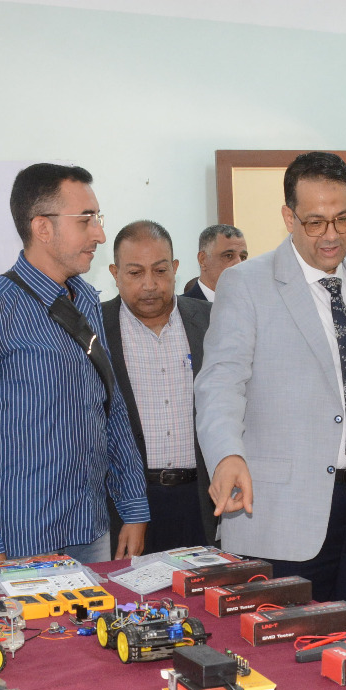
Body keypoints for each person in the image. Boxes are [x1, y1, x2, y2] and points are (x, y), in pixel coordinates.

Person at [196, 152, 346, 624]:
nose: (331, 235)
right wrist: (226, 454)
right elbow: (220, 382)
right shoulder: (246, 283)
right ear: (289, 218)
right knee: (287, 651)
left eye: (343, 219)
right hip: (284, 513)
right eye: (315, 222)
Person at [0, 162, 149, 567]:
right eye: (86, 220)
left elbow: (111, 409)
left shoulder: (86, 300)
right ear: (42, 227)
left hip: (90, 526)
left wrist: (133, 506)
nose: (99, 234)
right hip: (23, 536)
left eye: (98, 218)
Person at [102, 219, 216, 553]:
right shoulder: (94, 328)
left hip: (203, 498)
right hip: (126, 504)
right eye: (135, 273)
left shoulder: (212, 320)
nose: (150, 284)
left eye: (160, 270)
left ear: (176, 268)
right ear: (115, 273)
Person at [182, 224, 247, 301]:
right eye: (229, 256)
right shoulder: (178, 307)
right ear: (202, 260)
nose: (239, 264)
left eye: (243, 257)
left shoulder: (250, 305)